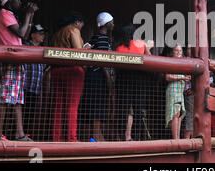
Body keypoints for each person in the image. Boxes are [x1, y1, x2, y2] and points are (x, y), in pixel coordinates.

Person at [0, 0, 38, 141]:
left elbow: (25, 34)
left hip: (16, 60)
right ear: (10, 2)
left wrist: (30, 15)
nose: (20, 2)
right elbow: (20, 33)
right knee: (6, 97)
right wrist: (27, 14)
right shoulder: (3, 14)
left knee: (17, 99)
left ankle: (19, 134)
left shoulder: (11, 15)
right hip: (10, 59)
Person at [79, 12, 114, 142]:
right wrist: (109, 80)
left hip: (91, 76)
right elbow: (103, 62)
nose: (113, 24)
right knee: (97, 107)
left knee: (94, 105)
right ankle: (97, 136)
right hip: (99, 76)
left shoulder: (95, 37)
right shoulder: (103, 38)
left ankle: (95, 136)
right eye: (112, 22)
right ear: (107, 24)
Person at [51, 11, 85, 142]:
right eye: (81, 24)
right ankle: (72, 138)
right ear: (77, 22)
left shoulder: (56, 34)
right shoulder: (73, 30)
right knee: (72, 106)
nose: (81, 27)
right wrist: (86, 48)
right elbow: (78, 52)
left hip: (56, 70)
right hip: (73, 70)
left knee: (59, 105)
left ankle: (57, 138)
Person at [114, 23, 151, 141]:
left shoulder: (119, 47)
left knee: (123, 109)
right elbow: (150, 58)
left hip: (123, 79)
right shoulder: (141, 44)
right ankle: (136, 137)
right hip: (139, 79)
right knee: (138, 109)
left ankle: (122, 137)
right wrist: (148, 48)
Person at [22, 24, 47, 140]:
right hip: (25, 86)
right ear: (32, 35)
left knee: (29, 113)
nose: (43, 36)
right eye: (40, 33)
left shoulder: (42, 49)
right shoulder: (26, 46)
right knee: (21, 112)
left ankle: (26, 135)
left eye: (43, 33)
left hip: (34, 88)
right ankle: (16, 135)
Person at [165, 45, 191, 139]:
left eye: (180, 50)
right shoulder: (170, 62)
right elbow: (167, 77)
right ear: (173, 52)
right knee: (175, 113)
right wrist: (182, 78)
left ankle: (177, 138)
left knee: (180, 114)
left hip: (180, 90)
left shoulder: (183, 63)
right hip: (173, 89)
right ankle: (175, 139)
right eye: (176, 50)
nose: (179, 52)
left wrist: (186, 77)